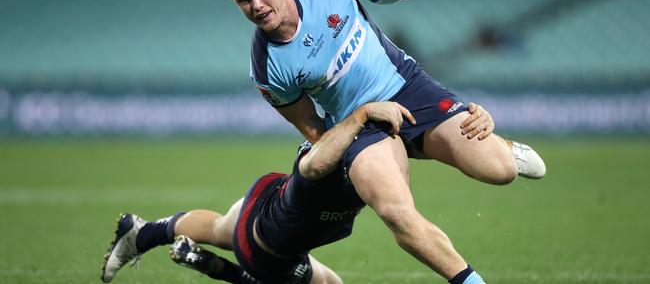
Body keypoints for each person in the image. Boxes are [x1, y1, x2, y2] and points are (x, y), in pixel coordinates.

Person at [224, 0, 546, 280]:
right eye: (244, 0)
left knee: (499, 171)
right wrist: (357, 136)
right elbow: (314, 130)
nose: (257, 5)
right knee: (396, 215)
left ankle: (500, 148)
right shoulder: (267, 68)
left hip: (406, 86)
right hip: (359, 126)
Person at [101, 101, 491, 284]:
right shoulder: (323, 162)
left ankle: (144, 231)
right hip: (268, 247)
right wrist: (361, 114)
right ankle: (208, 265)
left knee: (222, 227)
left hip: (266, 201)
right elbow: (315, 164)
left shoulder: (363, 149)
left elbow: (428, 130)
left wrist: (476, 119)